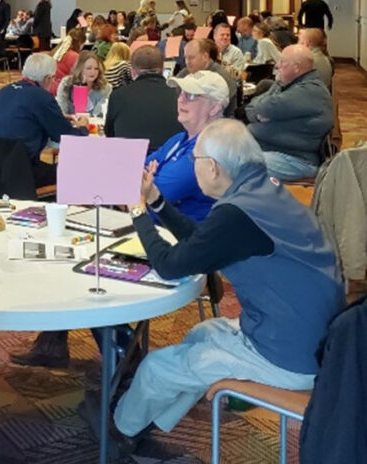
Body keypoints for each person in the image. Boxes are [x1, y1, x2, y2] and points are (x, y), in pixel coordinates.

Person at [101, 119, 342, 455]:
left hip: (287, 356)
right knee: (201, 334)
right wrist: (156, 201)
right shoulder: (261, 189)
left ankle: (119, 431)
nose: (192, 167)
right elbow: (202, 241)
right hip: (314, 339)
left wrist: (138, 210)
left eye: (194, 160)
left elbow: (170, 266)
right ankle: (147, 422)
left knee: (158, 367)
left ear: (212, 167)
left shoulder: (237, 213)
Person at [0, 53, 89, 187]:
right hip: (21, 170)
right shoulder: (42, 98)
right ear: (47, 79)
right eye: (53, 78)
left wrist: (56, 116)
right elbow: (66, 136)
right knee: (75, 170)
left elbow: (22, 117)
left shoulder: (3, 92)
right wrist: (83, 127)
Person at [148, 71, 228, 222]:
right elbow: (134, 171)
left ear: (214, 108)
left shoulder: (208, 150)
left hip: (184, 237)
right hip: (158, 229)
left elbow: (157, 194)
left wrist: (150, 177)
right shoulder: (178, 139)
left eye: (191, 96)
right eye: (181, 93)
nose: (180, 100)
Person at [245, 44, 333, 180]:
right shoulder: (287, 84)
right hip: (275, 151)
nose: (277, 66)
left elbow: (265, 107)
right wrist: (259, 114)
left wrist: (260, 112)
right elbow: (250, 109)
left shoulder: (309, 91)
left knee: (234, 166)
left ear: (296, 67)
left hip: (296, 160)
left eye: (282, 62)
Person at [104, 46, 183, 154]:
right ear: (163, 69)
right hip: (170, 160)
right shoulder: (180, 95)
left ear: (132, 71)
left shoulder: (118, 95)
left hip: (130, 159)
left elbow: (110, 133)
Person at [177, 38, 237, 117]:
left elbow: (227, 113)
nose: (187, 62)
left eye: (191, 58)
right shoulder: (184, 74)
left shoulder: (223, 78)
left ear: (205, 56)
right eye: (185, 58)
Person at [56, 50, 111, 117]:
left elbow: (98, 115)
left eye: (96, 69)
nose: (93, 72)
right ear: (80, 69)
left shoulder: (105, 88)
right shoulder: (66, 83)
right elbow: (61, 112)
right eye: (89, 68)